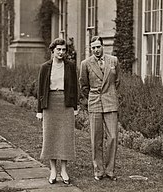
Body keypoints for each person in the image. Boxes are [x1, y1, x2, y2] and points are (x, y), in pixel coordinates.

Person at [36, 38, 78, 185]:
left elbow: (75, 88)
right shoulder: (45, 67)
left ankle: (64, 170)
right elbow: (40, 90)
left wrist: (75, 107)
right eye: (58, 49)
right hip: (50, 103)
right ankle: (53, 170)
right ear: (53, 50)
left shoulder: (71, 66)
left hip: (66, 103)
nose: (61, 52)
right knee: (51, 136)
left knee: (65, 136)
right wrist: (39, 110)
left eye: (64, 50)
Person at [79, 36, 120, 181]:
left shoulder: (113, 60)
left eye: (98, 47)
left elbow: (117, 81)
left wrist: (109, 93)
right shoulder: (85, 64)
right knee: (96, 138)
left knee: (113, 137)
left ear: (103, 46)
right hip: (95, 102)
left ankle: (110, 170)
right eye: (93, 48)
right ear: (91, 49)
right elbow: (83, 85)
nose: (96, 50)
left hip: (110, 102)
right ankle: (98, 170)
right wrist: (93, 96)